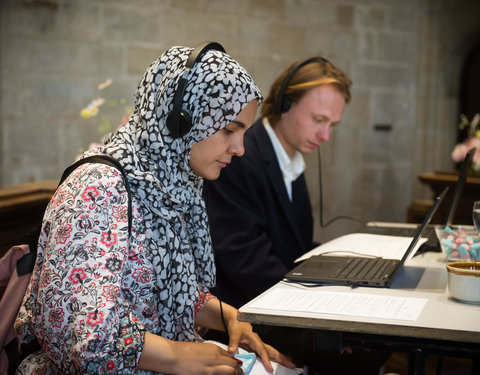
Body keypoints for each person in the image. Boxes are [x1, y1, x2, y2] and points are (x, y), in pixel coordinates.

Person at [14, 42, 296, 374]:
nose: (240, 148)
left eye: (244, 132)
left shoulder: (174, 184)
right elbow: (82, 338)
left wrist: (230, 317)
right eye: (228, 130)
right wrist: (178, 356)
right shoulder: (98, 188)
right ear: (179, 121)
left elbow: (172, 296)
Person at [205, 57, 390, 373]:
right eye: (319, 120)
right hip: (244, 311)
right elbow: (245, 258)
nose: (326, 135)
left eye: (332, 125)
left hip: (274, 297)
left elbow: (293, 246)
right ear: (283, 104)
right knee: (362, 349)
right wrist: (323, 307)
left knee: (376, 333)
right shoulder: (241, 155)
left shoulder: (289, 155)